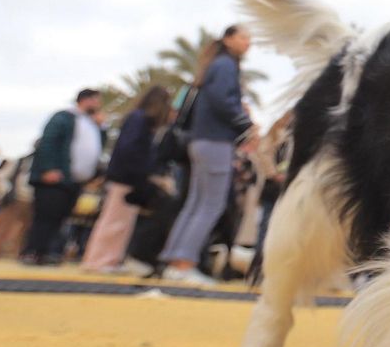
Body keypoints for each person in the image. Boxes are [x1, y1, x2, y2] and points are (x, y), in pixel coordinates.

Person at [158, 25, 256, 286]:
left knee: (196, 202)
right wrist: (246, 124)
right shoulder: (226, 66)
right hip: (215, 141)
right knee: (210, 204)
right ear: (229, 39)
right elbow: (223, 100)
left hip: (202, 141)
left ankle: (174, 260)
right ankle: (184, 263)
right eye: (244, 37)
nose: (249, 43)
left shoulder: (215, 65)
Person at [80, 86, 170, 273]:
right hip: (126, 177)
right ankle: (99, 261)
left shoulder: (138, 119)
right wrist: (143, 173)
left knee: (121, 222)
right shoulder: (140, 120)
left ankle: (108, 260)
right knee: (114, 221)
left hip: (127, 176)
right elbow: (130, 150)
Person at [22, 88, 105, 265]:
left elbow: (98, 147)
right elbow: (48, 142)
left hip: (73, 180)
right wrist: (48, 168)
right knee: (45, 216)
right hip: (54, 177)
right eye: (96, 100)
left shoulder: (91, 123)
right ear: (85, 100)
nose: (98, 105)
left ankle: (48, 253)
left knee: (60, 218)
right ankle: (32, 251)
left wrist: (101, 128)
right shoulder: (65, 117)